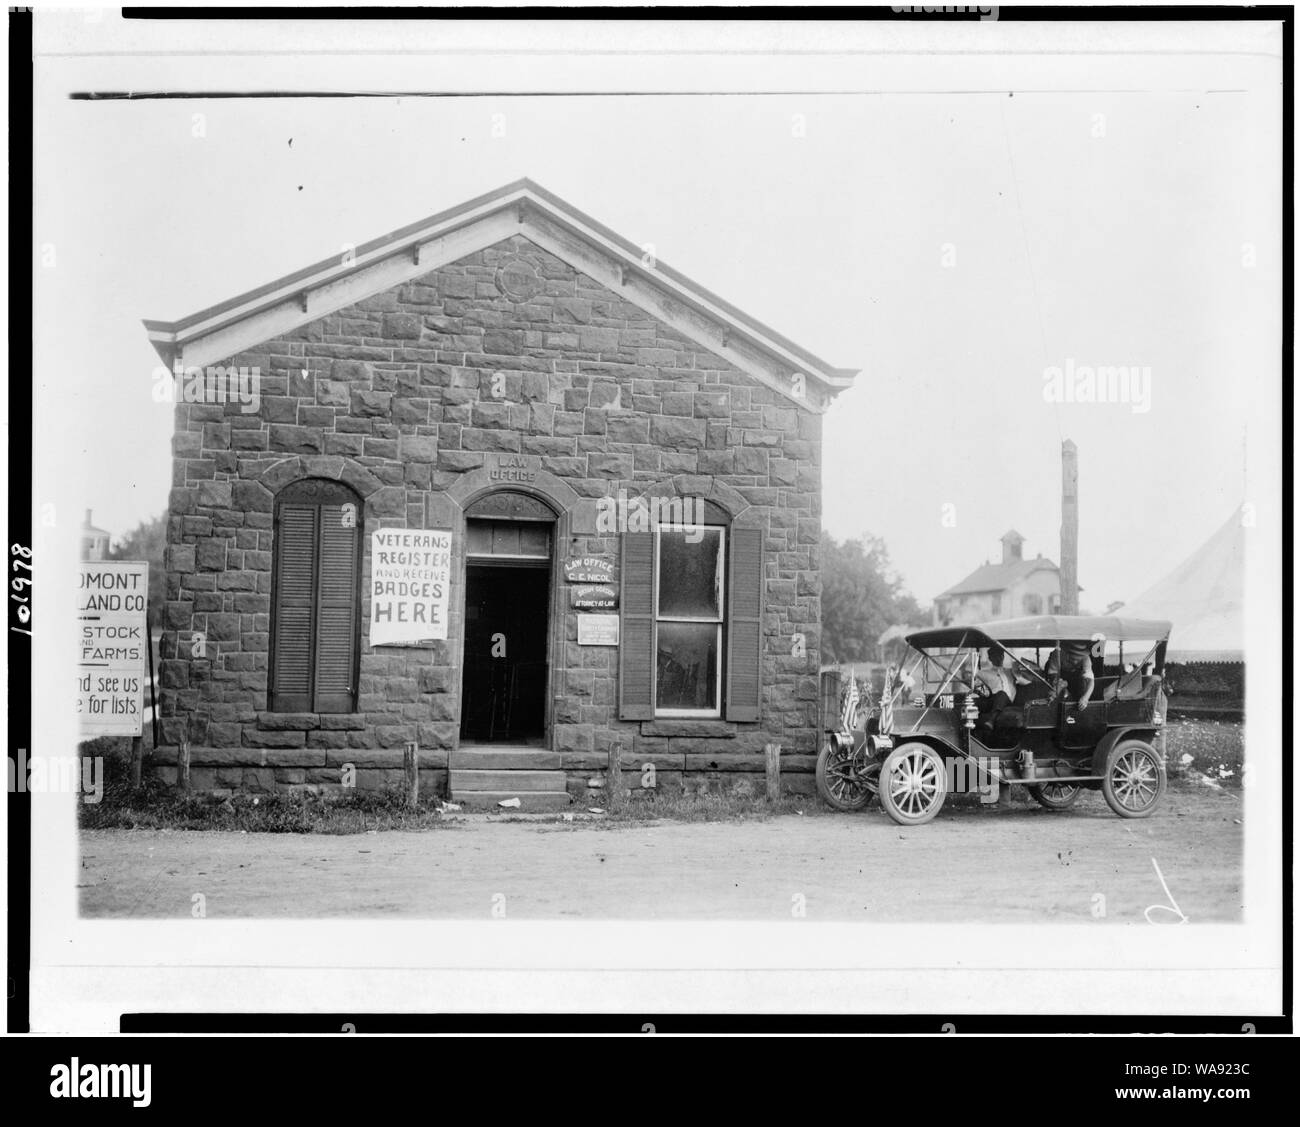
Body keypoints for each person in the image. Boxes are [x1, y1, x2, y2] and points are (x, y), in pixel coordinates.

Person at [1046, 641, 1095, 710]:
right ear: (1068, 653)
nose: (1075, 661)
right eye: (1073, 657)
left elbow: (1090, 681)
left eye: (1078, 658)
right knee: (1056, 694)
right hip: (1058, 676)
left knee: (1083, 687)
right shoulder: (1057, 654)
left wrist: (1085, 698)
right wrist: (1059, 684)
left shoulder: (1086, 658)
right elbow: (1052, 674)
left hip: (1075, 678)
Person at [975, 644, 1017, 724]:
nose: (999, 658)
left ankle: (991, 721)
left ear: (1003, 657)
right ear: (990, 658)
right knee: (972, 701)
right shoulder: (983, 673)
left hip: (1007, 701)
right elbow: (974, 683)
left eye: (1001, 655)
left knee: (1002, 694)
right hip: (991, 700)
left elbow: (1024, 680)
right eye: (995, 656)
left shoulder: (1010, 671)